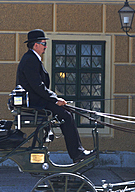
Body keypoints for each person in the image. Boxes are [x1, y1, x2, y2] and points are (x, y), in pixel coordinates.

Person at [16, 29, 92, 163]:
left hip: (39, 100)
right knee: (66, 116)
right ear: (35, 45)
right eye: (43, 43)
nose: (45, 46)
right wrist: (55, 99)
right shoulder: (30, 59)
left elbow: (39, 86)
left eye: (45, 43)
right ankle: (77, 154)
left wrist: (55, 99)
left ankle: (78, 152)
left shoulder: (32, 58)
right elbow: (37, 86)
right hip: (36, 102)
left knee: (67, 112)